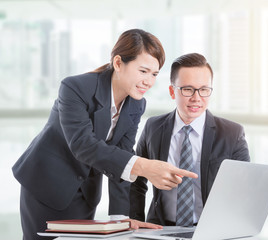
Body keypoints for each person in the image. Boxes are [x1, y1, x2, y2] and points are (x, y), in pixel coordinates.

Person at [12, 29, 197, 240]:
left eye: (154, 74)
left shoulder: (137, 104)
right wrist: (145, 167)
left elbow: (122, 156)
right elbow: (83, 144)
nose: (149, 81)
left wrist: (119, 219)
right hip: (47, 185)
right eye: (143, 71)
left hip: (84, 193)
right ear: (118, 63)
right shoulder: (75, 87)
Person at [129, 53, 250, 226]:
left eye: (204, 89)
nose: (196, 98)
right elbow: (137, 181)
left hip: (211, 231)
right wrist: (136, 223)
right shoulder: (153, 127)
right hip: (160, 229)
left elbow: (243, 190)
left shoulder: (232, 133)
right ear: (172, 91)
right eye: (187, 89)